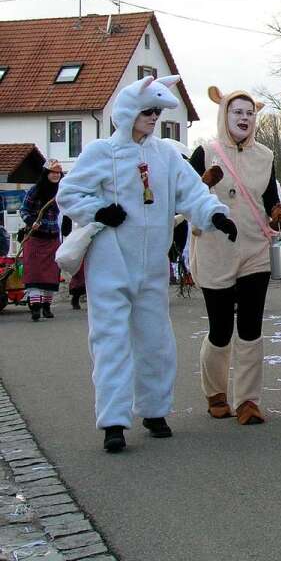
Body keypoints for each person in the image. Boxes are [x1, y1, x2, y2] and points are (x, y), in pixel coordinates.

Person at [57, 75, 236, 453]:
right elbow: (70, 193)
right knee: (110, 342)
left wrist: (215, 215)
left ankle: (154, 410)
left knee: (156, 341)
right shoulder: (100, 153)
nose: (154, 118)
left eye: (158, 112)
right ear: (129, 113)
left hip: (152, 265)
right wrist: (98, 210)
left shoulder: (166, 155)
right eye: (148, 111)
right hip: (110, 264)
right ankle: (114, 421)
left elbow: (191, 191)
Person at [189, 87, 281, 425]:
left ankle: (248, 401)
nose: (244, 118)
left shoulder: (266, 155)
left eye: (249, 113)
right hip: (215, 249)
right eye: (237, 112)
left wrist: (277, 213)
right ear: (224, 116)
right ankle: (216, 392)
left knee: (250, 327)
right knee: (220, 329)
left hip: (254, 249)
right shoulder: (204, 152)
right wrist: (204, 182)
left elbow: (270, 198)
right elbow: (187, 198)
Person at [19, 160, 64, 321]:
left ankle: (46, 306)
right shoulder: (35, 191)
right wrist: (32, 222)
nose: (55, 175)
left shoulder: (62, 192)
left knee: (51, 274)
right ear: (46, 174)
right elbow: (24, 210)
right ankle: (35, 308)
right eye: (52, 172)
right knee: (34, 273)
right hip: (36, 238)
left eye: (58, 173)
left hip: (53, 239)